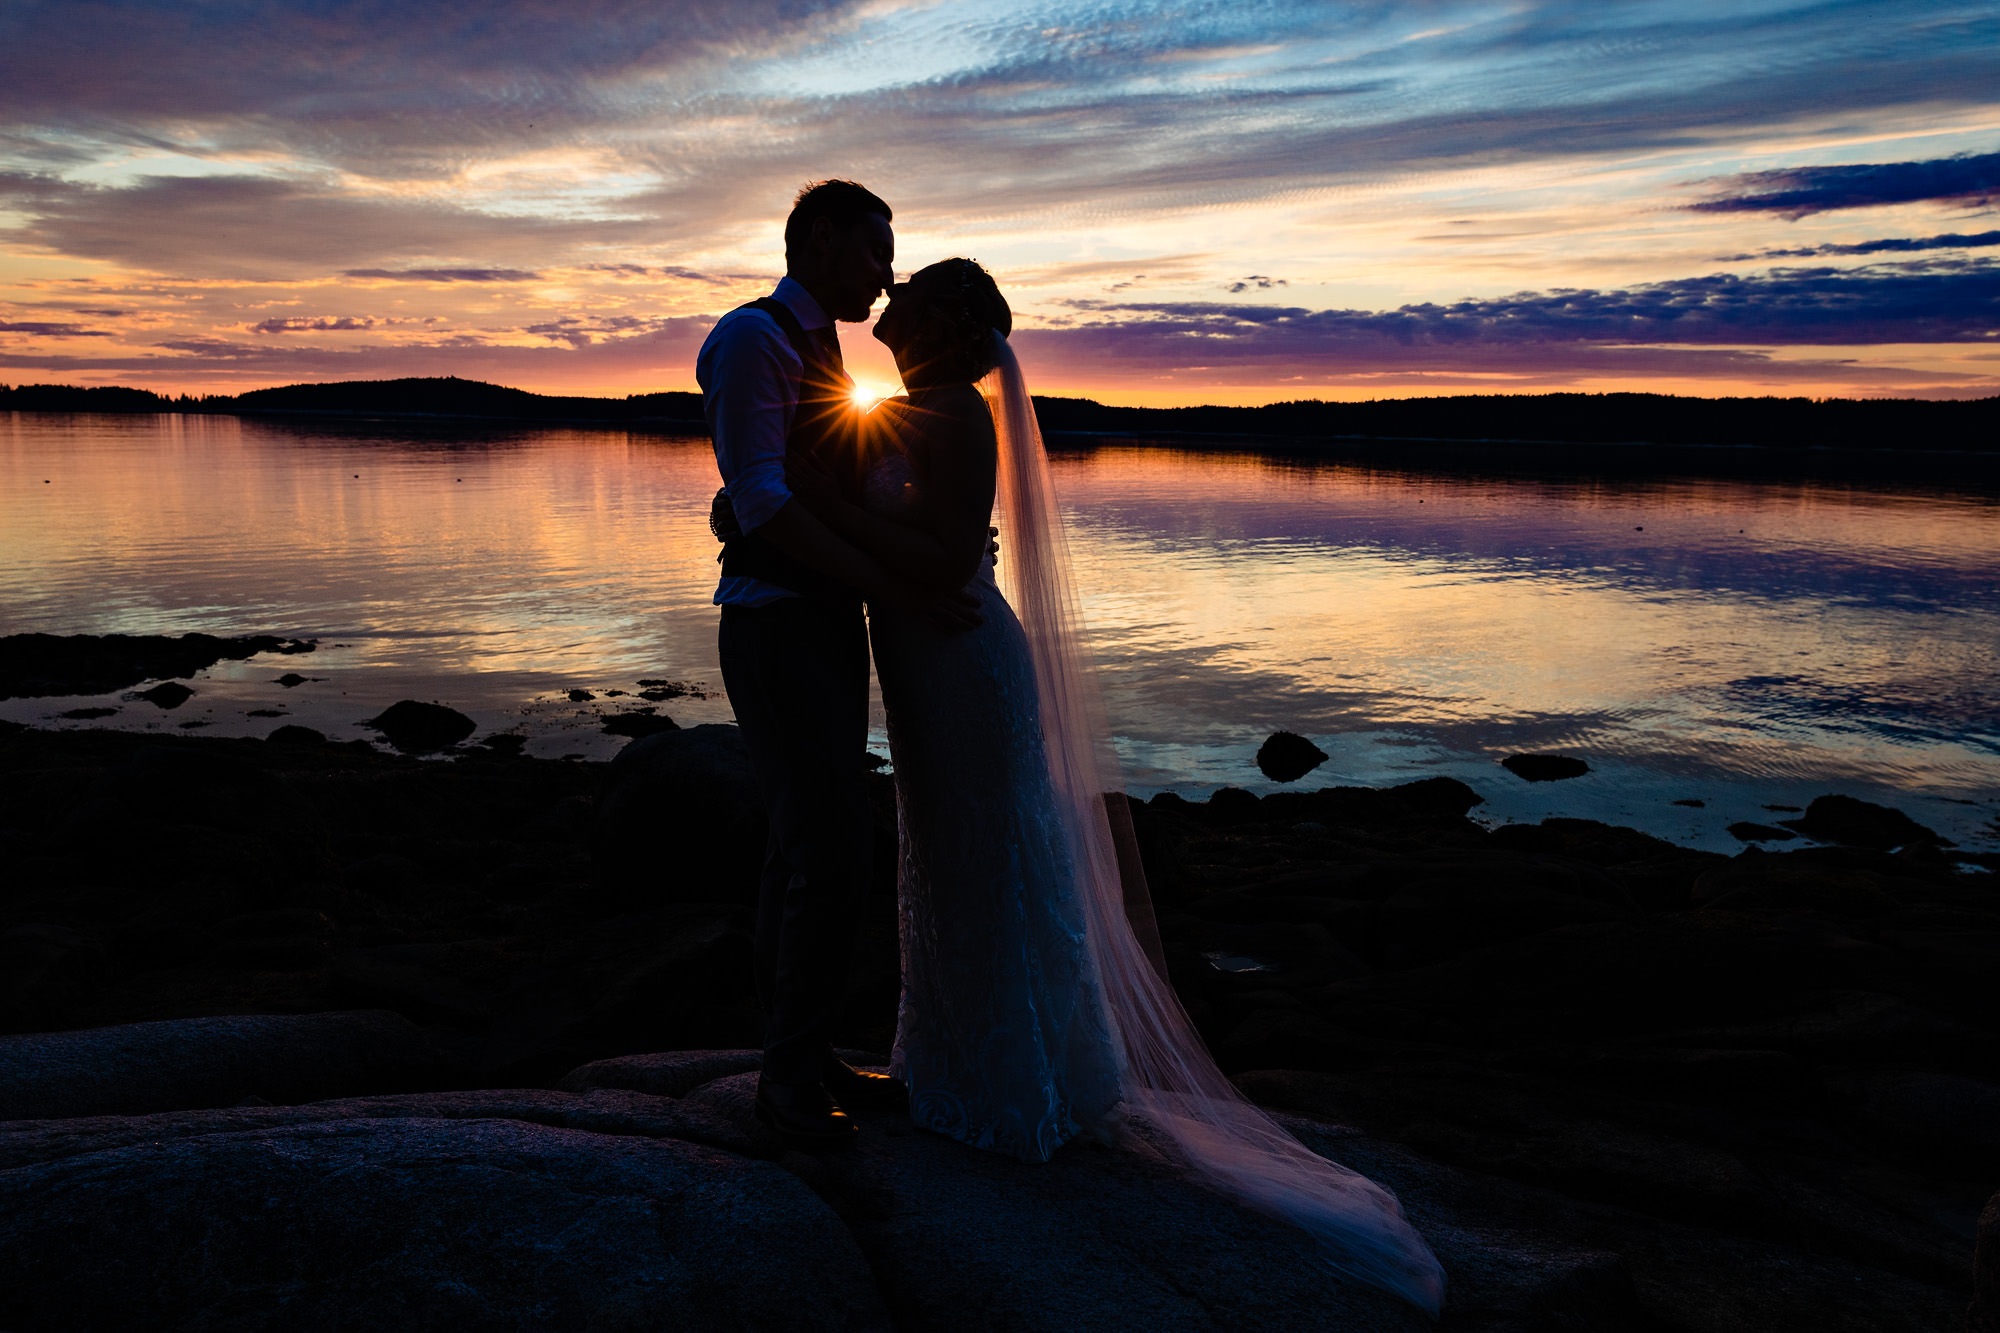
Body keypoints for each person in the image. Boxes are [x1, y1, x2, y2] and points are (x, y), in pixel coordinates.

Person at [768, 257, 1449, 1315]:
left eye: (908, 288)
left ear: (937, 324)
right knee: (950, 854)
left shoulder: (947, 410)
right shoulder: (912, 406)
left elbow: (948, 561)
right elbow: (915, 539)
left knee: (988, 855)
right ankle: (960, 1065)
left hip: (956, 660)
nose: (887, 294)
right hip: (925, 658)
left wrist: (810, 504)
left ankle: (1011, 1086)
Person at [696, 180, 978, 1149]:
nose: (885, 276)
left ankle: (802, 1054)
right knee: (829, 851)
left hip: (818, 623)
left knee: (799, 848)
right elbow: (765, 500)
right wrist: (888, 585)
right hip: (775, 626)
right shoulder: (754, 339)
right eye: (871, 255)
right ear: (817, 243)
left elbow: (792, 490)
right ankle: (784, 1079)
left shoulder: (822, 353)